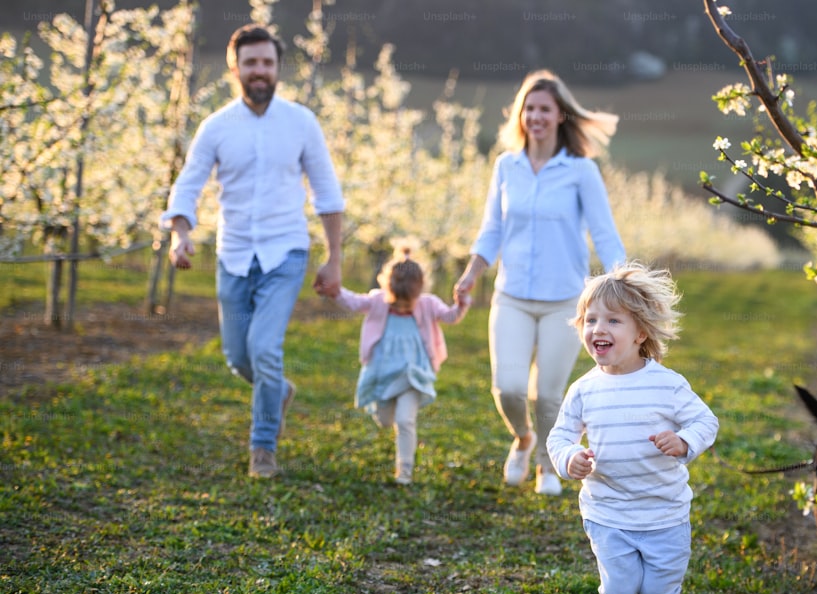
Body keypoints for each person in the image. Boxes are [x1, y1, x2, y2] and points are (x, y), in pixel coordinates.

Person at [160, 24, 346, 478]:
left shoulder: (302, 122)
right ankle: (278, 390)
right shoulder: (216, 127)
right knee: (238, 357)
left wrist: (334, 256)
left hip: (286, 255)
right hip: (235, 256)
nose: (259, 71)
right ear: (235, 68)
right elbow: (188, 186)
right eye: (251, 63)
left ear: (278, 68)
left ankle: (263, 448)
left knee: (264, 349)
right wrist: (178, 233)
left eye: (267, 63)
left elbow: (327, 192)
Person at [453, 69, 626, 496]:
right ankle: (524, 438)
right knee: (508, 388)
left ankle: (548, 464)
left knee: (548, 396)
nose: (536, 116)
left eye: (544, 109)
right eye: (529, 108)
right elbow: (491, 228)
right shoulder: (506, 166)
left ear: (561, 115)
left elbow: (603, 232)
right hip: (510, 296)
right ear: (520, 114)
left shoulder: (580, 170)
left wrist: (623, 283)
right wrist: (472, 273)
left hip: (565, 300)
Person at [547, 262, 719, 594]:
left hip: (664, 513)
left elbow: (704, 421)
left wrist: (684, 441)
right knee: (619, 592)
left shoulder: (667, 384)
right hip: (608, 512)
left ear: (640, 332)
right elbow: (559, 436)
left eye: (612, 320)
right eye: (590, 320)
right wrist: (570, 457)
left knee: (659, 590)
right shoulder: (584, 389)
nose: (598, 329)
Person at [333, 246, 470, 484]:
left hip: (413, 375)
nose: (405, 308)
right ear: (388, 289)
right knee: (386, 420)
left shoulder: (427, 304)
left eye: (410, 303)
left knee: (405, 420)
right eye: (399, 304)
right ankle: (385, 413)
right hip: (383, 373)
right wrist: (334, 291)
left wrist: (460, 304)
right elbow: (353, 302)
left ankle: (404, 471)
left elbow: (450, 316)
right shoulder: (378, 301)